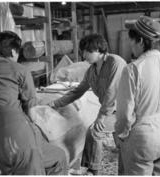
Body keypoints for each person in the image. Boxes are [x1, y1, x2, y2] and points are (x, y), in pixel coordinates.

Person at [0, 31, 68, 175]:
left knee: (57, 156)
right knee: (47, 162)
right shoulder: (19, 70)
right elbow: (32, 111)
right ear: (13, 51)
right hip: (18, 136)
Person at [114, 16, 160, 175]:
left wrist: (121, 135)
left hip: (140, 137)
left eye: (131, 41)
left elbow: (124, 115)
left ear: (140, 40)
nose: (131, 46)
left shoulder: (132, 69)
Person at [48, 33, 127, 175]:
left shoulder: (115, 62)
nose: (84, 55)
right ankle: (109, 154)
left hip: (125, 109)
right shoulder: (91, 71)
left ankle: (92, 170)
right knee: (105, 132)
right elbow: (77, 91)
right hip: (111, 110)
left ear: (98, 50)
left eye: (87, 51)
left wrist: (101, 117)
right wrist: (55, 103)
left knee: (94, 132)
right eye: (83, 51)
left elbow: (111, 92)